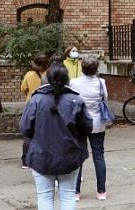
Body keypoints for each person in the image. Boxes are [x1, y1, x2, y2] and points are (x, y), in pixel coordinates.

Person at [20, 62, 92, 210]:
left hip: (41, 156)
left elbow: (25, 128)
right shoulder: (75, 100)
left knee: (44, 196)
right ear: (67, 79)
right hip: (70, 156)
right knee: (68, 195)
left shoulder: (36, 100)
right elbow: (87, 127)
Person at [69, 55, 108, 202]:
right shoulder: (100, 82)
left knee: (78, 157)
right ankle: (101, 191)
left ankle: (76, 192)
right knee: (99, 156)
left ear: (82, 68)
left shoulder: (74, 83)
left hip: (80, 124)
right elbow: (105, 97)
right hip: (97, 123)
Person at [20, 52, 49, 169]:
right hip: (45, 106)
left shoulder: (29, 74)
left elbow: (23, 89)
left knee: (28, 134)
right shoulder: (49, 74)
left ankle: (25, 160)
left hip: (30, 104)